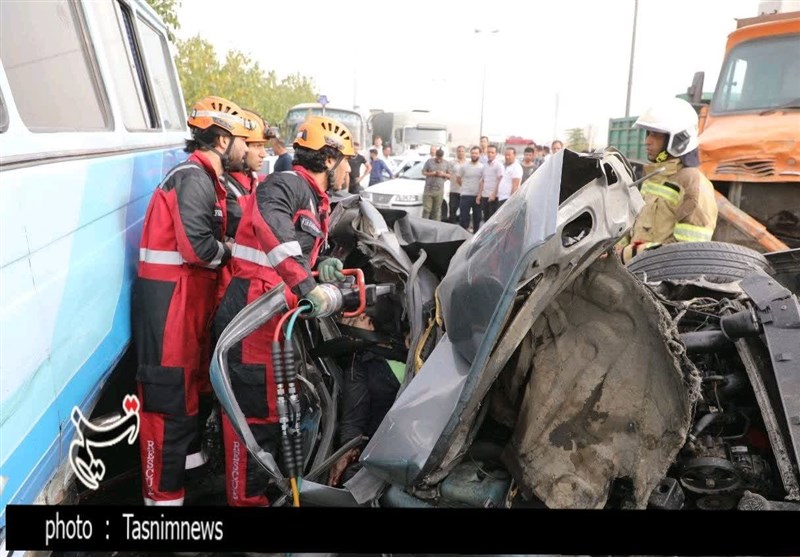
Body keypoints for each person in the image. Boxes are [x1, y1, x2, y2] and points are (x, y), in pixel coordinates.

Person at [213, 115, 354, 506]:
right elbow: (273, 232)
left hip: (273, 316)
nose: (348, 169)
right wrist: (309, 286)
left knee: (274, 414)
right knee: (252, 419)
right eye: (346, 160)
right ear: (328, 160)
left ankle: (265, 494)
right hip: (251, 317)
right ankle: (245, 503)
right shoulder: (286, 185)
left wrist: (321, 266)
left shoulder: (314, 198)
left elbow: (296, 247)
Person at [132, 95, 252, 506]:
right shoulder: (193, 179)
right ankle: (162, 506)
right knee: (169, 400)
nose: (247, 146)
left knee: (192, 394)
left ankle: (190, 482)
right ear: (221, 140)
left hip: (188, 305)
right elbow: (198, 249)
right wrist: (232, 250)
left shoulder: (207, 180)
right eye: (241, 139)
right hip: (171, 306)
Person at [616, 97, 718, 263]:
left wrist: (625, 254)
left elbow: (686, 252)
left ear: (678, 139)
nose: (647, 141)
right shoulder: (655, 177)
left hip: (663, 282)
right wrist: (616, 248)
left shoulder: (692, 184)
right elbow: (636, 226)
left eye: (655, 135)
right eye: (648, 133)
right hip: (636, 271)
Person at [327, 297, 407, 487]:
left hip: (385, 457)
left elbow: (354, 417)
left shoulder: (362, 364)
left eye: (354, 322)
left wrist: (346, 451)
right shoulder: (415, 353)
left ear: (370, 322)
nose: (351, 332)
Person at [217, 109, 272, 305]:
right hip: (226, 289)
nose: (262, 153)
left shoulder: (254, 183)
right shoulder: (223, 186)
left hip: (245, 287)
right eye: (256, 145)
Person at [457, 146, 484, 232]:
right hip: (465, 195)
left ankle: (475, 238)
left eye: (476, 153)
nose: (474, 155)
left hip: (477, 196)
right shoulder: (464, 166)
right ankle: (462, 238)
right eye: (472, 153)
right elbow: (458, 178)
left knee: (477, 218)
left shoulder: (482, 167)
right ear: (470, 154)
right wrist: (465, 186)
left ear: (479, 154)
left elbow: (483, 181)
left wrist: (479, 194)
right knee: (463, 218)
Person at [421, 147, 450, 221]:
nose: (439, 159)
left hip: (439, 190)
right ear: (435, 155)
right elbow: (423, 172)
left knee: (436, 210)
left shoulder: (446, 163)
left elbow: (450, 176)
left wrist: (443, 174)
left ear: (442, 156)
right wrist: (432, 173)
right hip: (428, 189)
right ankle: (424, 224)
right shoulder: (429, 162)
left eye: (440, 158)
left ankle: (436, 226)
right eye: (437, 157)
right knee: (427, 209)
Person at [477, 144, 503, 223]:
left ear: (496, 154)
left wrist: (494, 194)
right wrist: (479, 195)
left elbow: (500, 180)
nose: (490, 154)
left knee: (492, 220)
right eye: (488, 152)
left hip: (493, 197)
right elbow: (482, 181)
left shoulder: (499, 165)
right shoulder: (484, 166)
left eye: (492, 152)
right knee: (485, 218)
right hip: (485, 195)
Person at [448, 145, 467, 223]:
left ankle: (462, 229)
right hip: (454, 190)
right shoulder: (452, 162)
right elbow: (448, 173)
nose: (461, 153)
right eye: (459, 151)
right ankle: (452, 227)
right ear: (456, 152)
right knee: (453, 210)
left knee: (464, 211)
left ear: (465, 152)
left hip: (464, 191)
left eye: (462, 151)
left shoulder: (468, 163)